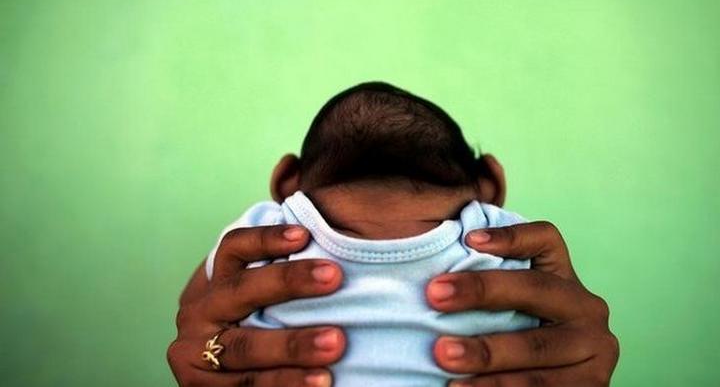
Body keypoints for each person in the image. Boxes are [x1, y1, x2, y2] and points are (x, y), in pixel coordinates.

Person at [168, 84, 620, 386]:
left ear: (288, 181)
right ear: (492, 185)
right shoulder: (502, 237)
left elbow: (197, 309)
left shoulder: (266, 228)